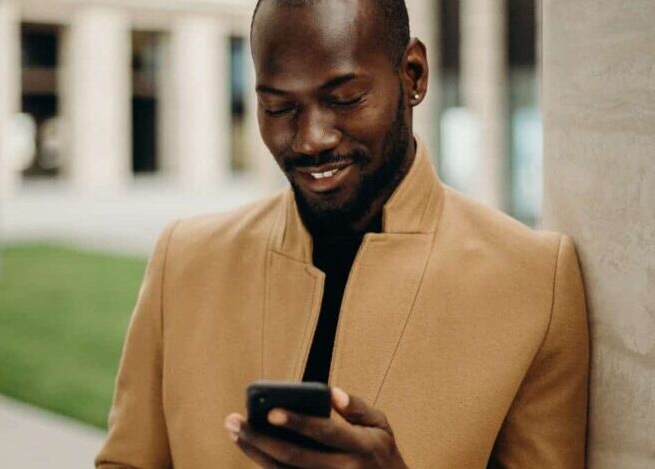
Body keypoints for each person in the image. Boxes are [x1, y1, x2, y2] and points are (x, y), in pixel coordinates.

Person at [95, 0, 589, 467]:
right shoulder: (183, 260)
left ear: (413, 75)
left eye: (345, 98)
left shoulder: (535, 281)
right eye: (279, 108)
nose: (311, 139)